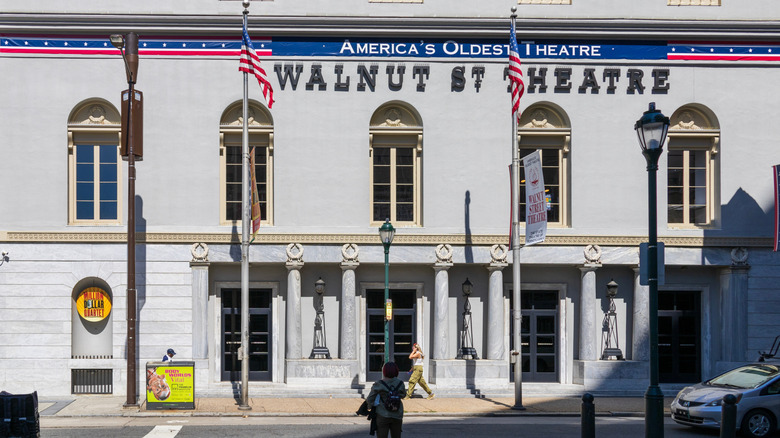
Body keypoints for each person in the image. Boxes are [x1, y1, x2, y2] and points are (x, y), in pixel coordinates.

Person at [366, 362, 405, 438]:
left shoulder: (379, 384)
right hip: (397, 413)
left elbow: (370, 398)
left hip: (382, 413)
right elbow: (403, 395)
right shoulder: (400, 383)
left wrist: (369, 407)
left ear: (384, 371)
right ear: (396, 371)